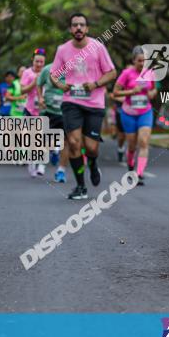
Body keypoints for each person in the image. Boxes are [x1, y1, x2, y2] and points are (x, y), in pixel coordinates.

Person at [50, 13, 117, 200]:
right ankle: (80, 186)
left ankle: (93, 163)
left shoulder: (97, 47)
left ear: (87, 29)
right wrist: (61, 85)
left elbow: (112, 72)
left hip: (94, 103)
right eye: (74, 25)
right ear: (70, 29)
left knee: (91, 148)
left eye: (82, 25)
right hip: (71, 102)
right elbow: (54, 74)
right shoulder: (62, 50)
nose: (78, 28)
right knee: (73, 143)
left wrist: (95, 84)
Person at [112, 47, 158, 183]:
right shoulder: (126, 73)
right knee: (132, 145)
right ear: (133, 61)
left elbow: (154, 90)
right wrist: (131, 91)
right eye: (139, 61)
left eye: (145, 61)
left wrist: (152, 94)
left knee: (143, 142)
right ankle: (131, 168)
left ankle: (139, 173)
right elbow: (115, 92)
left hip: (145, 112)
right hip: (129, 113)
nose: (142, 63)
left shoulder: (150, 73)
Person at [38, 56, 69, 183]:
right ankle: (42, 162)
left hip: (67, 110)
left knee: (66, 141)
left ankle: (61, 171)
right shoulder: (47, 69)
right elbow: (39, 84)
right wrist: (40, 98)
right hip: (49, 110)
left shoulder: (73, 70)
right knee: (46, 138)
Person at [19, 49, 47, 177]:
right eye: (37, 61)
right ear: (33, 60)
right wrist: (34, 83)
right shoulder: (27, 73)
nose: (39, 64)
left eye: (41, 61)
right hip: (30, 109)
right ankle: (31, 162)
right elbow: (22, 91)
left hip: (44, 110)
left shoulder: (48, 72)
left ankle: (41, 164)